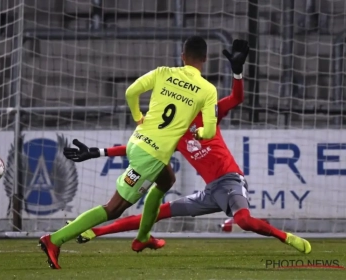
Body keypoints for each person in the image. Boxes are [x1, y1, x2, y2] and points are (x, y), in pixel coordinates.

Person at [64, 40, 312, 255]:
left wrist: (237, 72)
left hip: (230, 181)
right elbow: (141, 148)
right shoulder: (175, 132)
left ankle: (287, 237)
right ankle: (97, 232)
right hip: (208, 193)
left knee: (244, 221)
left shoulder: (210, 113)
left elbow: (237, 99)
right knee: (156, 212)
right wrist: (98, 152)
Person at [39, 35, 219, 269]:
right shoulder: (208, 90)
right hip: (150, 158)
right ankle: (54, 240)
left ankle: (143, 238)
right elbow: (210, 132)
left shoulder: (163, 72)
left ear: (182, 56)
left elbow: (130, 92)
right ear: (205, 58)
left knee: (167, 180)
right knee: (113, 208)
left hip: (136, 143)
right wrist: (198, 133)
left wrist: (137, 117)